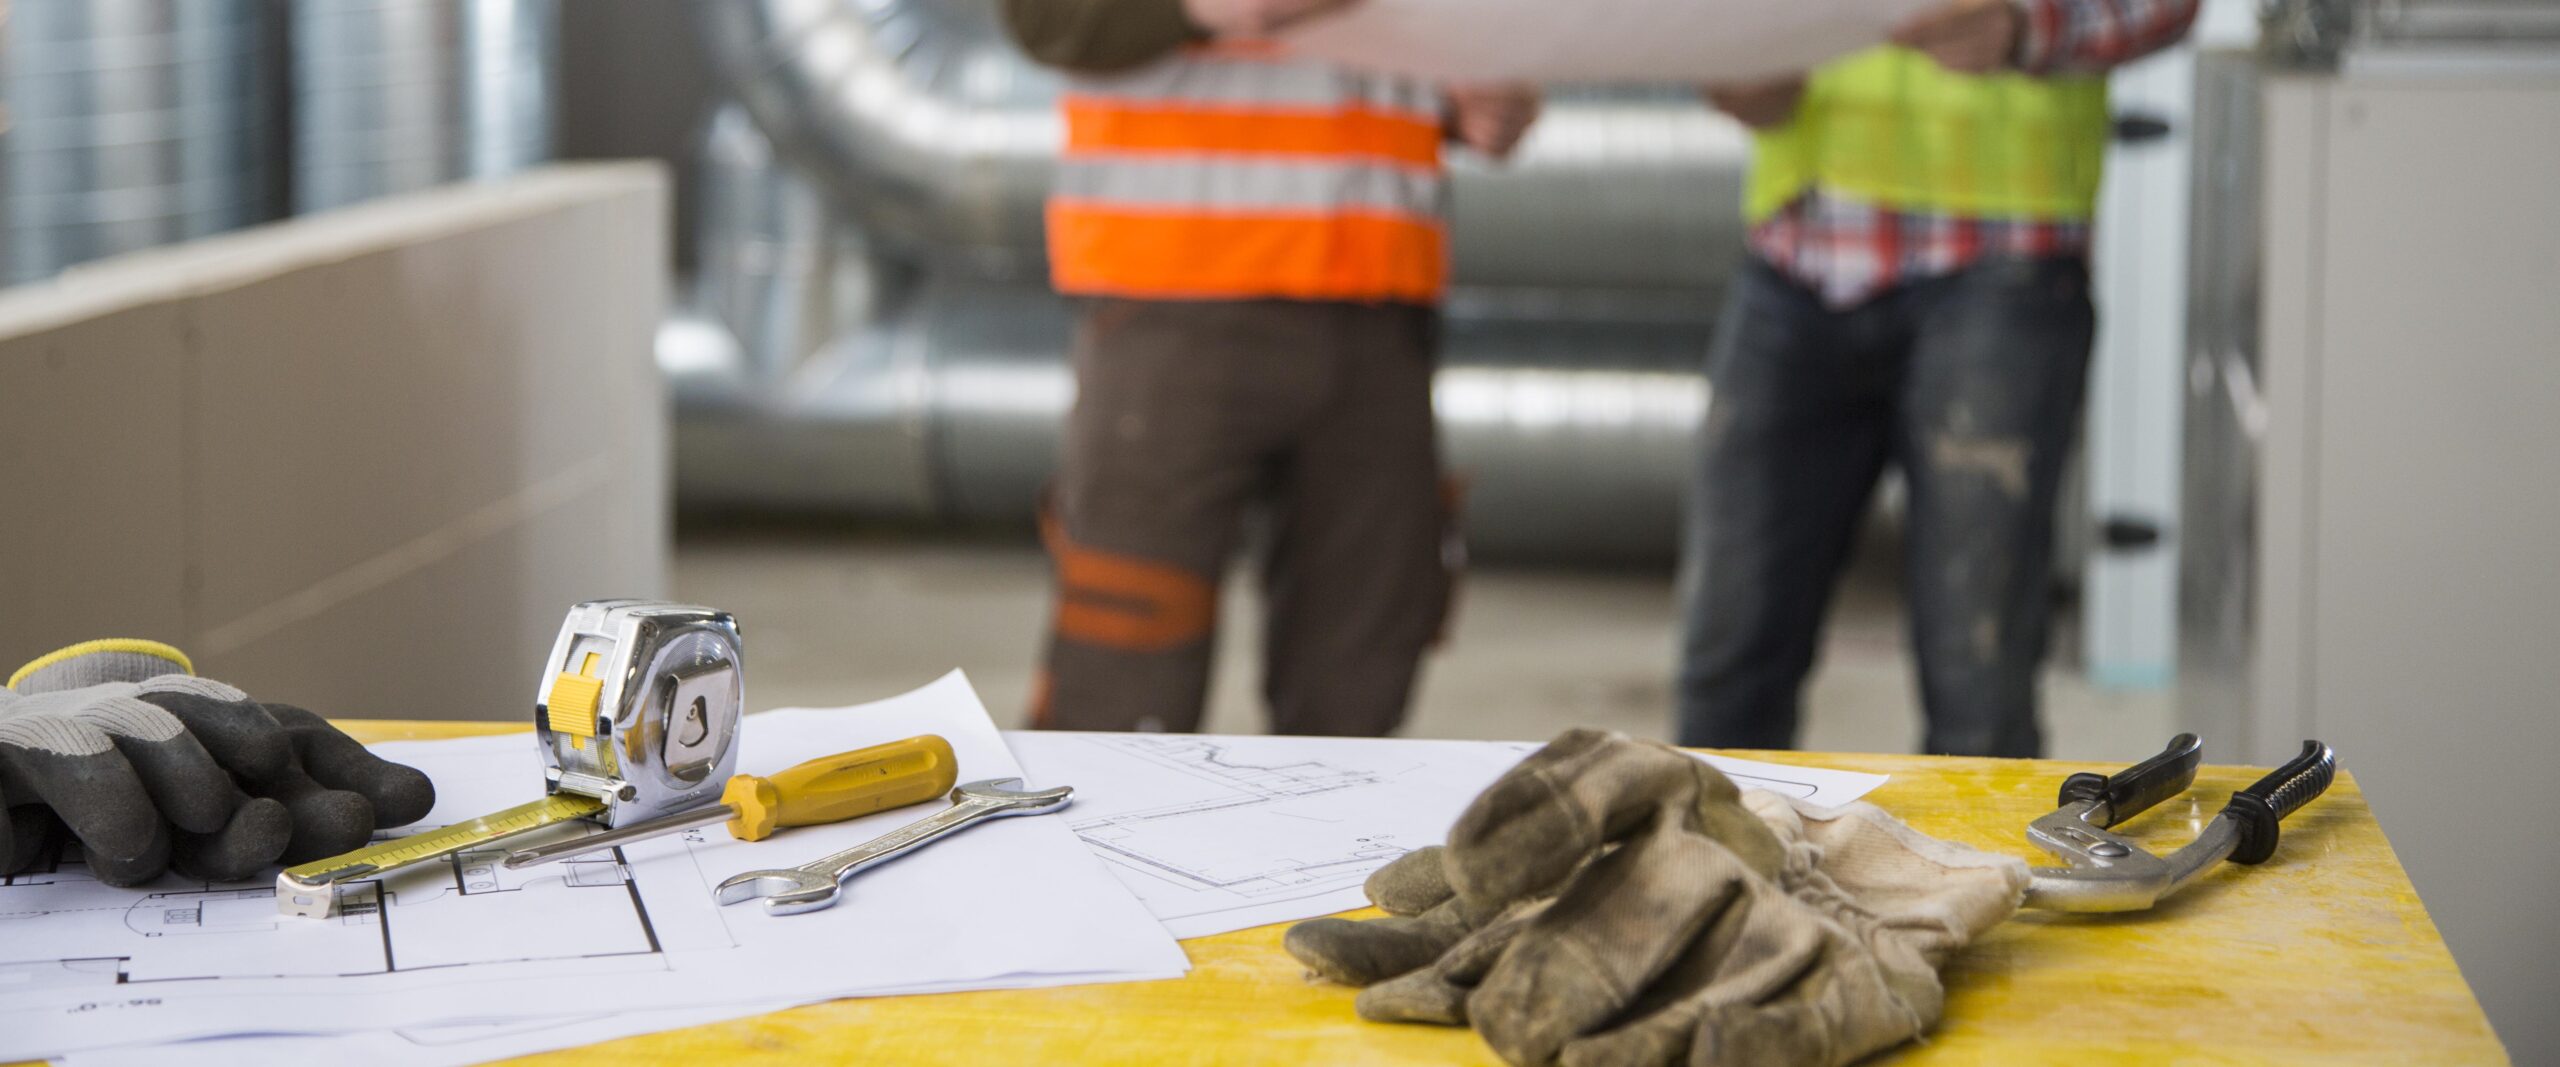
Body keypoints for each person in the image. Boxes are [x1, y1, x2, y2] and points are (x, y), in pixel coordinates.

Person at [1000, 0, 1539, 735]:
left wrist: (1462, 99)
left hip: (1378, 307)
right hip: (1177, 295)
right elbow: (1050, 18)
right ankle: (1087, 855)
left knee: (1357, 689)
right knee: (1121, 688)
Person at [1678, 0, 2198, 756]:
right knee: (1727, 669)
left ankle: (1976, 880)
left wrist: (2029, 26)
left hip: (2002, 259)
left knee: (1978, 690)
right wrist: (1731, 65)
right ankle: (1705, 876)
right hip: (1799, 250)